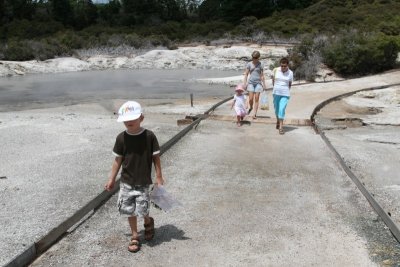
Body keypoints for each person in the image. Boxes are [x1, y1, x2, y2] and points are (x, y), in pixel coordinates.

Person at [104, 100, 164, 253]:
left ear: (141, 118)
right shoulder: (121, 138)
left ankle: (148, 221)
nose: (129, 122)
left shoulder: (149, 136)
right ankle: (135, 235)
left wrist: (159, 176)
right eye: (126, 120)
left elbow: (156, 157)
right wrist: (111, 179)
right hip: (126, 181)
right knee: (129, 210)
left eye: (133, 118)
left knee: (142, 210)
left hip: (143, 182)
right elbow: (117, 160)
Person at [272, 57, 293, 135]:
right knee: (277, 109)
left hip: (285, 94)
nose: (283, 67)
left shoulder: (290, 73)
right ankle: (278, 120)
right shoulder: (275, 70)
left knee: (282, 109)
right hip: (276, 93)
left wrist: (286, 90)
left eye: (285, 66)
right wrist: (276, 88)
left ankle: (281, 127)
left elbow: (290, 83)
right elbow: (273, 80)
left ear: (287, 65)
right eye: (282, 66)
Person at [243, 50, 267, 119]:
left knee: (256, 98)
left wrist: (264, 84)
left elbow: (262, 75)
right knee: (250, 99)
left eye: (256, 57)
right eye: (253, 57)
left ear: (258, 57)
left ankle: (254, 114)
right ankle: (251, 107)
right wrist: (244, 84)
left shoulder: (261, 64)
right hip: (250, 83)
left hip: (258, 83)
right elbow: (246, 74)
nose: (254, 59)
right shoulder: (249, 64)